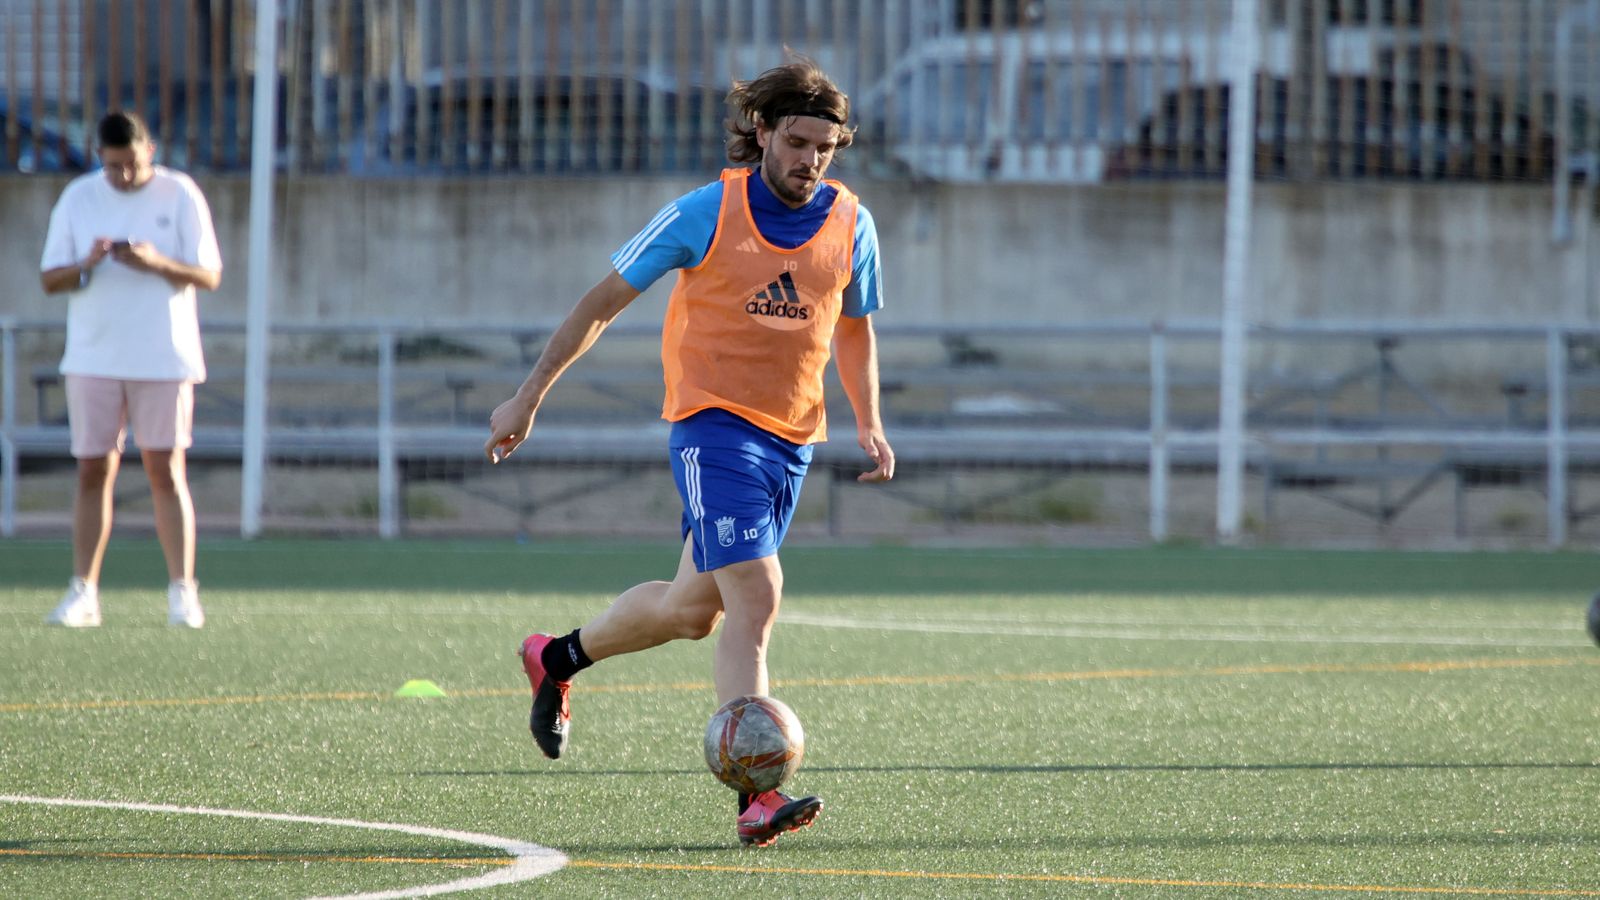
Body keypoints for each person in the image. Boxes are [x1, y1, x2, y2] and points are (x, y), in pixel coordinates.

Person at [485, 57, 894, 848]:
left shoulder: (853, 223)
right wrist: (527, 396)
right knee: (758, 594)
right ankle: (757, 796)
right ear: (765, 132)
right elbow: (600, 303)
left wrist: (868, 419)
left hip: (791, 442)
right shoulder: (705, 211)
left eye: (828, 147)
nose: (812, 159)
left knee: (691, 613)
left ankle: (557, 658)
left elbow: (854, 323)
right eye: (800, 141)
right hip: (713, 429)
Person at [39, 110, 223, 629]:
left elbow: (208, 273)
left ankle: (183, 592)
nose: (122, 176)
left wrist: (155, 262)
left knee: (166, 470)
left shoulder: (181, 194)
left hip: (163, 357)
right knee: (93, 469)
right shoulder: (79, 197)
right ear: (99, 157)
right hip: (94, 356)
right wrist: (88, 263)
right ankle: (83, 591)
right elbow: (51, 278)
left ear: (151, 151)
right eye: (112, 165)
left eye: (132, 164)